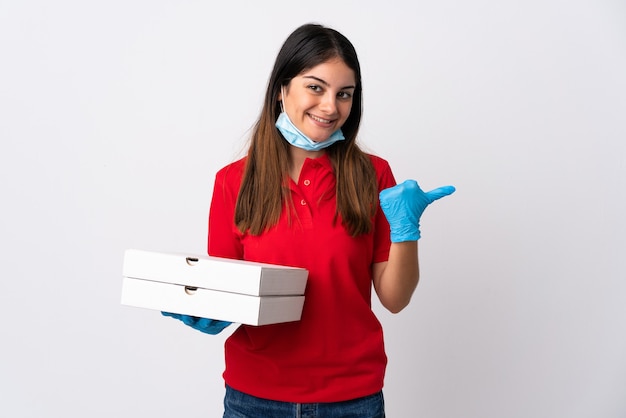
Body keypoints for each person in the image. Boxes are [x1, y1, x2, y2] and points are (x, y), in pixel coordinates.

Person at [163, 23, 455, 417]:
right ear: (282, 90)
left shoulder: (375, 176)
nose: (331, 107)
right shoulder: (233, 181)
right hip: (253, 399)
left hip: (353, 400)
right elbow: (231, 291)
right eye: (315, 87)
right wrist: (209, 310)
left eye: (344, 94)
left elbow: (395, 299)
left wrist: (406, 231)